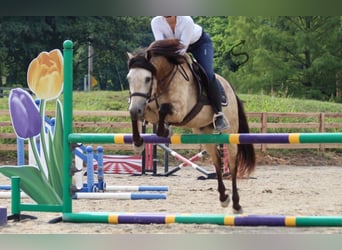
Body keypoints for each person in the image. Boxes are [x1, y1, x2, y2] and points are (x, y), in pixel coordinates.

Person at [151, 16, 229, 131]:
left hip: (199, 44)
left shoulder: (186, 21)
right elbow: (160, 46)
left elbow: (182, 49)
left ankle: (219, 114)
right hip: (172, 49)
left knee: (207, 73)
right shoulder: (155, 22)